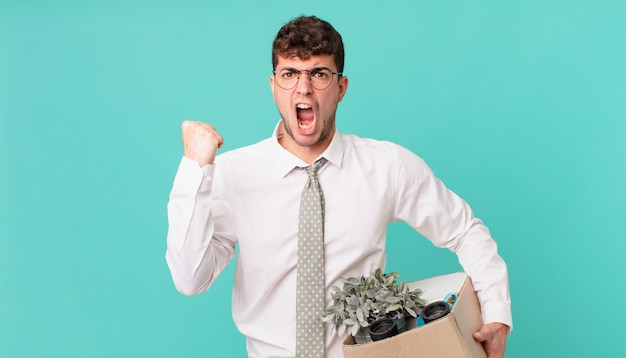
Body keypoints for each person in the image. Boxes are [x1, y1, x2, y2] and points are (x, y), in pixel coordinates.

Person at [166, 15, 512, 358]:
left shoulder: (386, 166)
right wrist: (194, 169)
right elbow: (190, 279)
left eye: (318, 74)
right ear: (273, 86)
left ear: (341, 87)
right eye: (290, 74)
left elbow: (465, 231)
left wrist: (496, 312)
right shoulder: (230, 173)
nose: (303, 88)